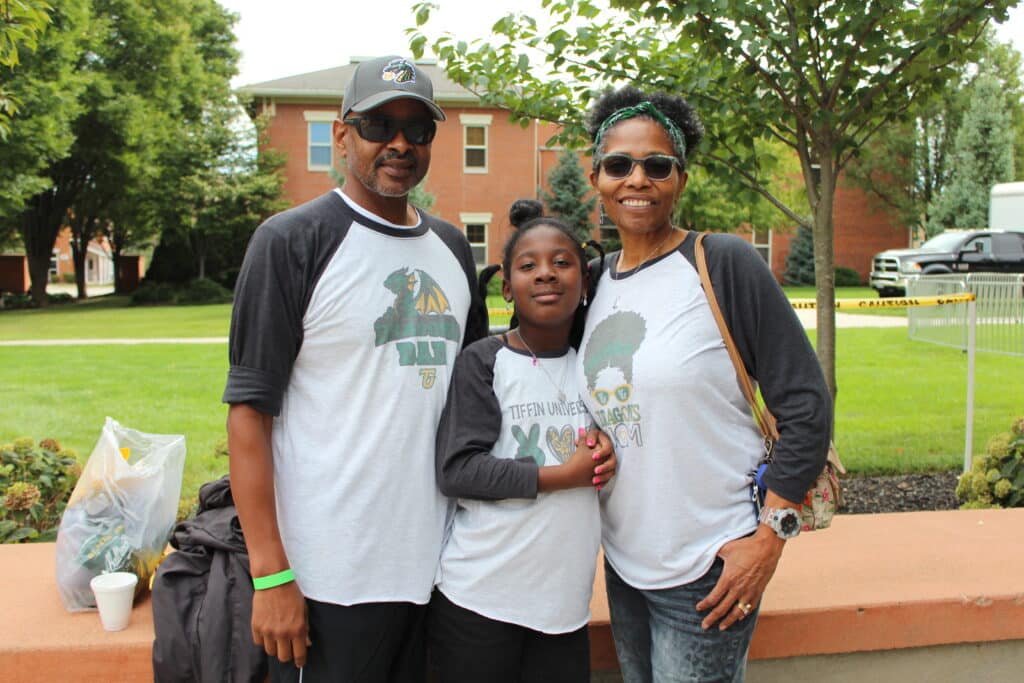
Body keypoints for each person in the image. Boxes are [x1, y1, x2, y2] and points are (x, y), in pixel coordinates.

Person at [222, 55, 488, 682]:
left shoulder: (451, 247)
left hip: (440, 568)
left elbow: (478, 395)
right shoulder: (292, 241)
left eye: (417, 129)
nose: (399, 143)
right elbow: (248, 415)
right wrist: (273, 574)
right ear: (342, 134)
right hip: (330, 576)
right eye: (378, 125)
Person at [578, 86, 832, 682]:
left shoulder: (721, 263)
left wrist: (769, 539)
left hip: (712, 564)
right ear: (597, 178)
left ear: (681, 179)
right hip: (625, 563)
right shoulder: (591, 282)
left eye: (657, 165)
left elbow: (805, 405)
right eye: (619, 165)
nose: (636, 179)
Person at [428, 201, 616, 683]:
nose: (546, 274)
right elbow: (458, 470)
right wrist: (563, 476)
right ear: (507, 289)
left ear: (586, 282)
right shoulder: (485, 362)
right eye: (528, 265)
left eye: (562, 262)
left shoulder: (595, 368)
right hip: (480, 601)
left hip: (562, 608)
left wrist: (606, 454)